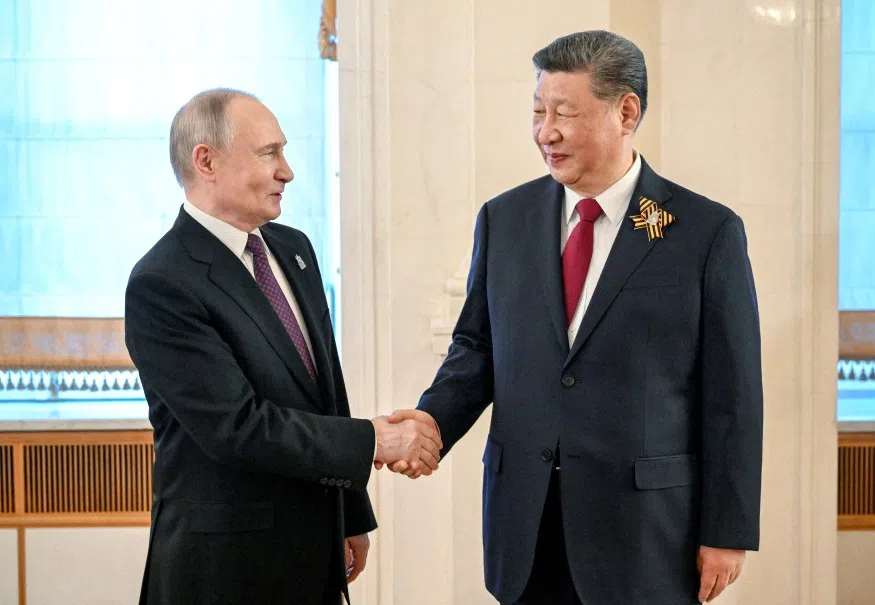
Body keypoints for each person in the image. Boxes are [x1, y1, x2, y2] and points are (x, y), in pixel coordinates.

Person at [388, 30, 763, 605]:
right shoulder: (504, 219)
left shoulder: (704, 232)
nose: (546, 132)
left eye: (564, 112)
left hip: (646, 529)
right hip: (526, 522)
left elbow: (733, 396)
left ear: (626, 112)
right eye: (538, 111)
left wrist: (727, 531)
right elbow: (478, 347)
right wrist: (434, 422)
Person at [125, 88, 442, 605]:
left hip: (313, 553)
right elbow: (237, 426)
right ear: (206, 160)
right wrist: (376, 442)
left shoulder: (293, 249)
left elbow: (326, 392)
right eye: (269, 153)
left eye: (284, 151)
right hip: (225, 570)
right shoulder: (163, 281)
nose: (287, 171)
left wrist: (351, 515)